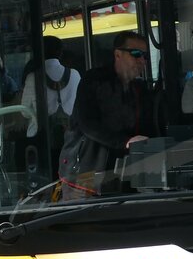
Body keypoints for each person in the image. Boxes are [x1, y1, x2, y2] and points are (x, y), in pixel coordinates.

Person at [58, 30, 158, 197]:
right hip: (86, 172)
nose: (142, 60)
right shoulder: (94, 81)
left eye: (145, 56)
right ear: (117, 54)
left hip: (124, 173)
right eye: (136, 54)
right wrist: (125, 142)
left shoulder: (140, 88)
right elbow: (86, 124)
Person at [20, 36, 80, 181]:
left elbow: (24, 111)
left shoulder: (32, 77)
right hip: (70, 137)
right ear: (60, 52)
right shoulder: (75, 74)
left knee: (45, 179)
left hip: (40, 138)